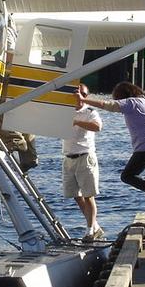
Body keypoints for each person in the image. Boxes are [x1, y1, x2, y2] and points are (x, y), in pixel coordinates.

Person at [79, 81, 145, 235]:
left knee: (127, 176)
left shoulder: (131, 102)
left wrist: (84, 99)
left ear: (123, 95)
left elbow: (107, 104)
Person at [63, 83, 104, 241]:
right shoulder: (64, 112)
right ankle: (95, 226)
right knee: (75, 195)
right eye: (76, 94)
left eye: (82, 94)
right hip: (68, 157)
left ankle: (90, 230)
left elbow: (97, 127)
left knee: (89, 195)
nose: (79, 97)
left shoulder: (89, 111)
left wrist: (77, 122)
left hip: (85, 156)